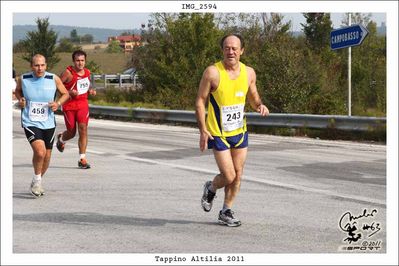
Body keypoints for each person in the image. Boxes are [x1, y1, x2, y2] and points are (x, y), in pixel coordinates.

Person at [195, 34, 269, 227]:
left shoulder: (249, 73)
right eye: (227, 48)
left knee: (238, 173)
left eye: (235, 48)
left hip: (239, 130)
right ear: (222, 50)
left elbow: (253, 97)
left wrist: (260, 105)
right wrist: (203, 129)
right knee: (228, 176)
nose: (231, 51)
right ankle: (211, 188)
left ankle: (226, 210)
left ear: (241, 51)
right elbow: (200, 101)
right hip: (217, 132)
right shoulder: (212, 72)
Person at [15, 54, 69, 197]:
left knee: (47, 156)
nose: (40, 68)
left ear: (46, 65)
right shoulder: (24, 79)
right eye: (36, 65)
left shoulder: (53, 78)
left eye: (42, 65)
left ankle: (36, 180)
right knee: (40, 152)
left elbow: (65, 94)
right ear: (31, 66)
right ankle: (37, 181)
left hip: (48, 122)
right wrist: (21, 99)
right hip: (30, 121)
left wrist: (57, 104)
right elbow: (18, 91)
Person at [56, 50, 96, 169]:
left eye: (82, 60)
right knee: (72, 132)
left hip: (82, 104)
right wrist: (68, 92)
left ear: (85, 61)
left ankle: (82, 159)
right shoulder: (68, 73)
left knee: (83, 129)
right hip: (69, 105)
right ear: (73, 61)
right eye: (78, 61)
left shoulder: (87, 72)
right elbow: (57, 86)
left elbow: (86, 85)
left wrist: (90, 91)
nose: (80, 63)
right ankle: (61, 139)